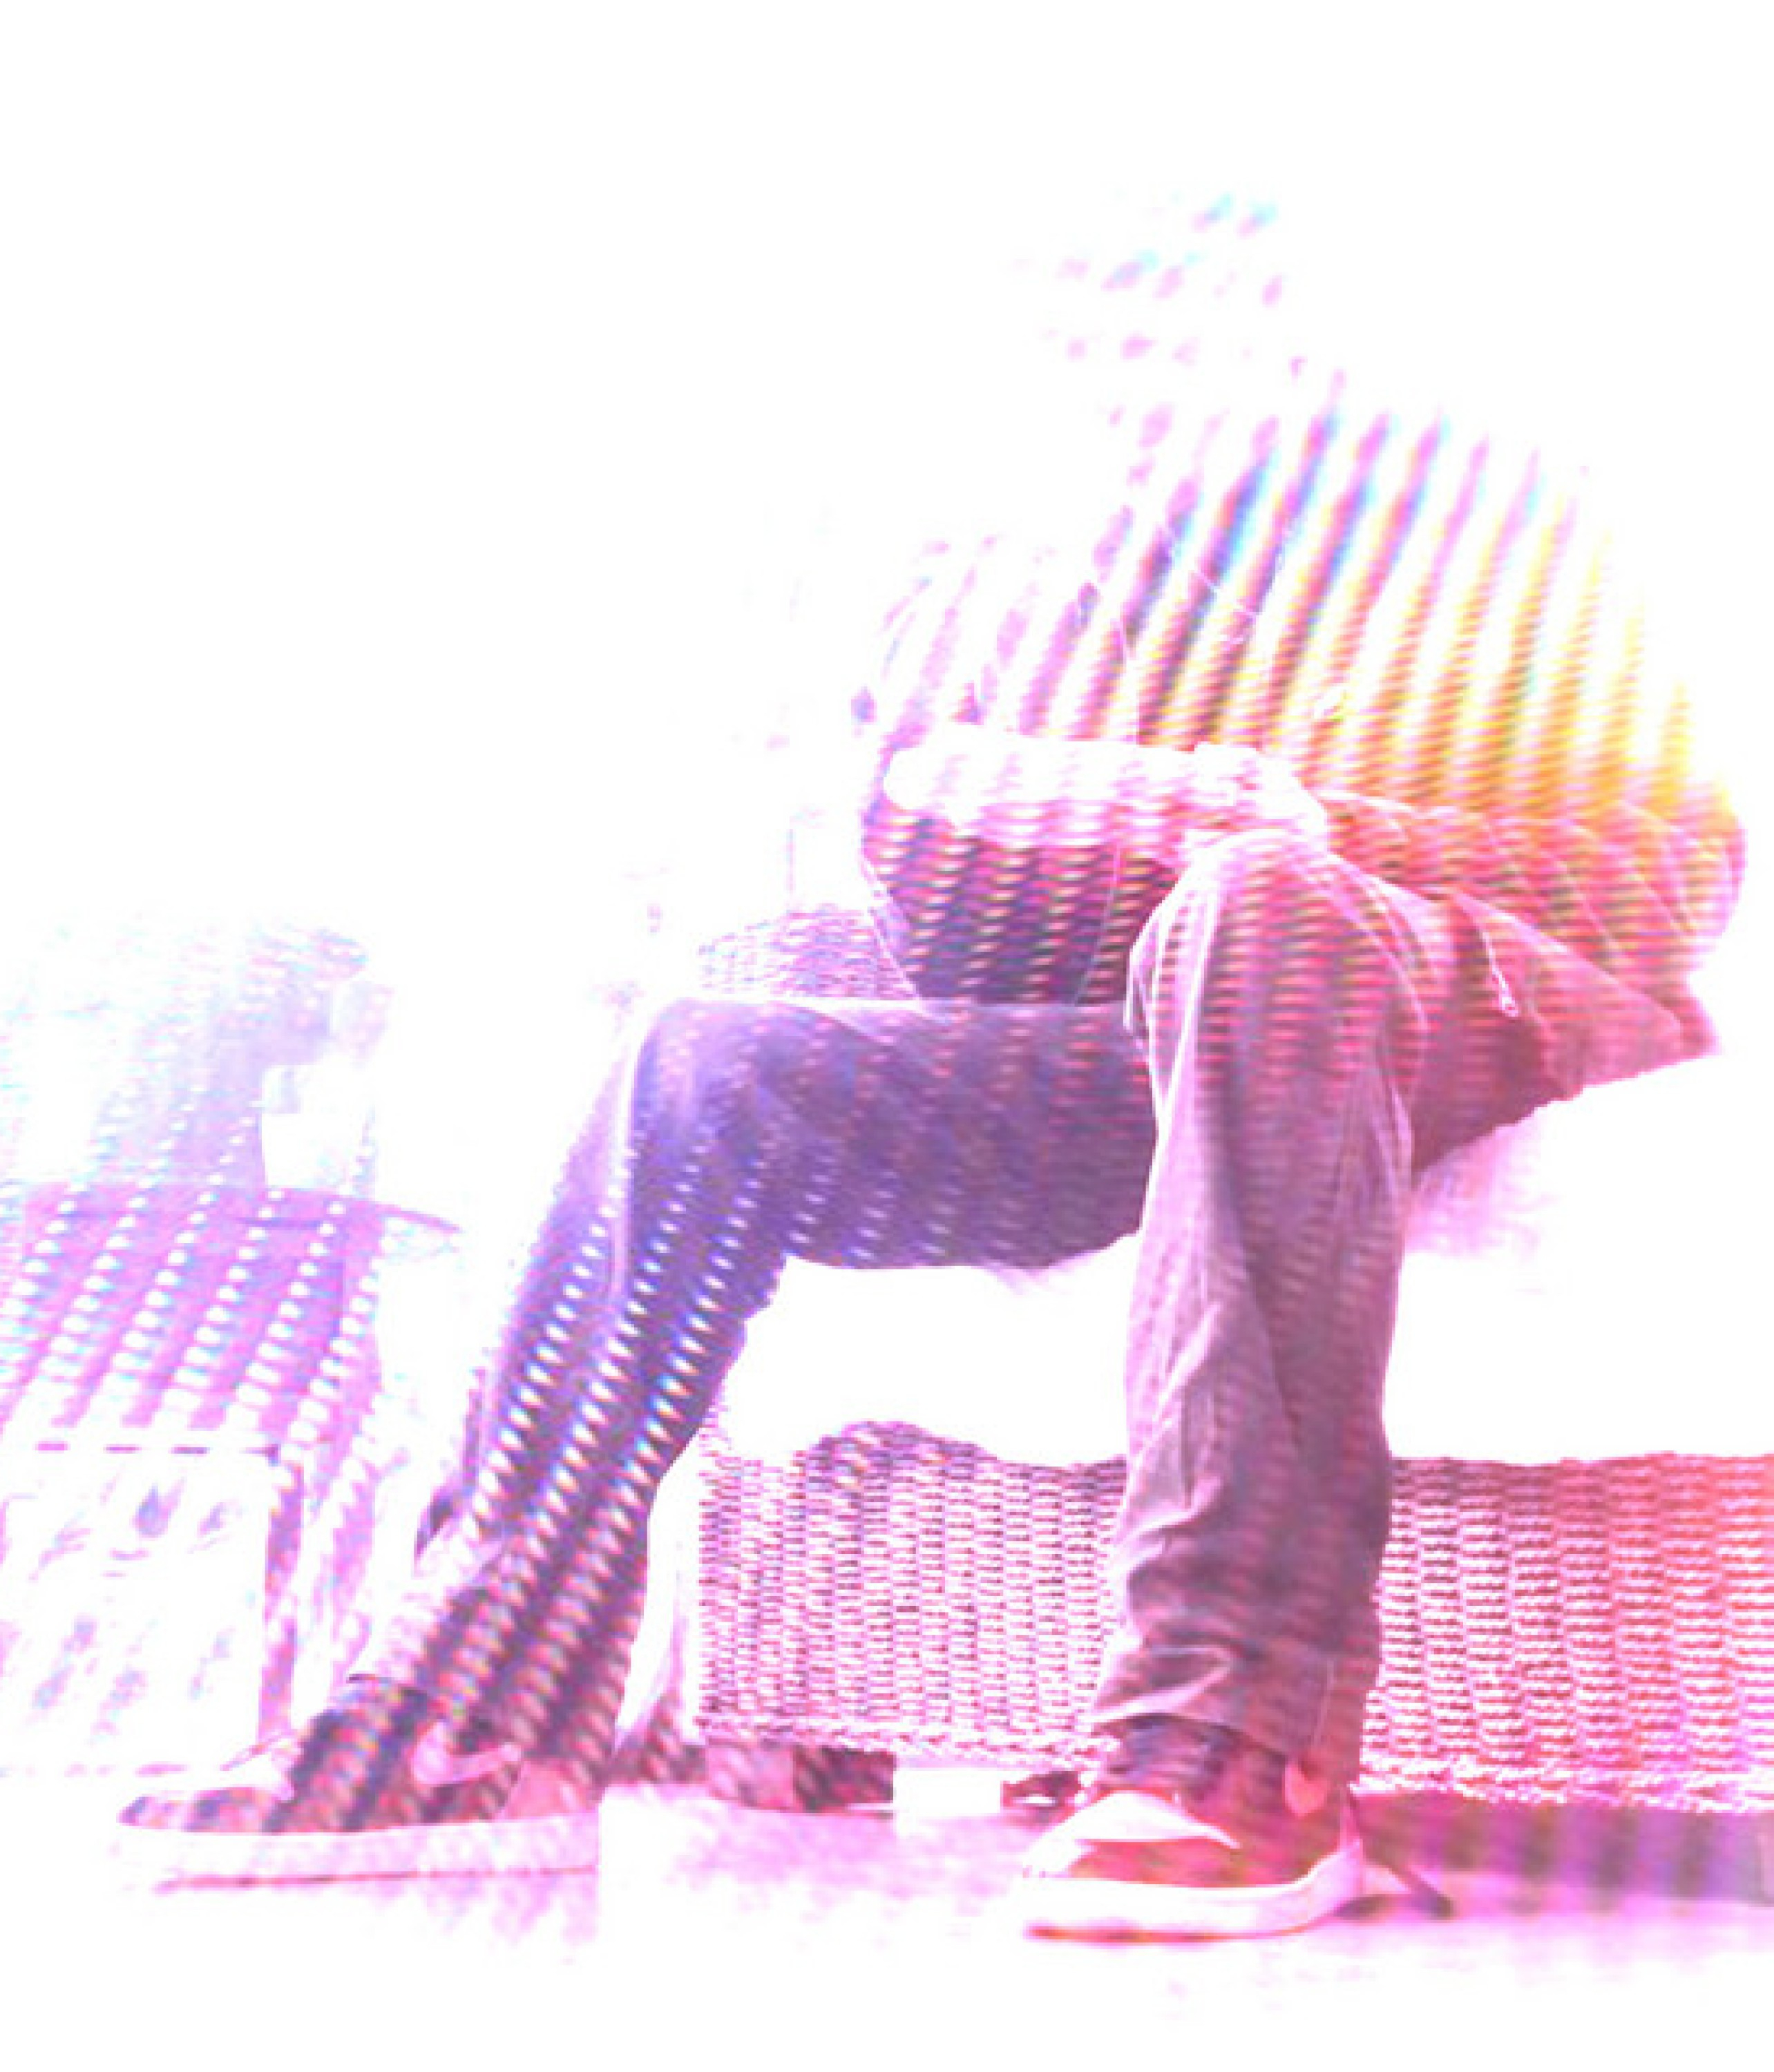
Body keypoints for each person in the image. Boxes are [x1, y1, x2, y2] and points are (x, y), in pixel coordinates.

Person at [113, 385, 1742, 1939]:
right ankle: (478, 1718)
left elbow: (1667, 882)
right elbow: (996, 975)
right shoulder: (1120, 584)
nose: (1126, 407)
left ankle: (1239, 1732)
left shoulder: (1486, 510)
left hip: (1491, 1003)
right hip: (1199, 1032)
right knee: (701, 1071)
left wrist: (1304, 828)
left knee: (1259, 910)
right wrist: (945, 803)